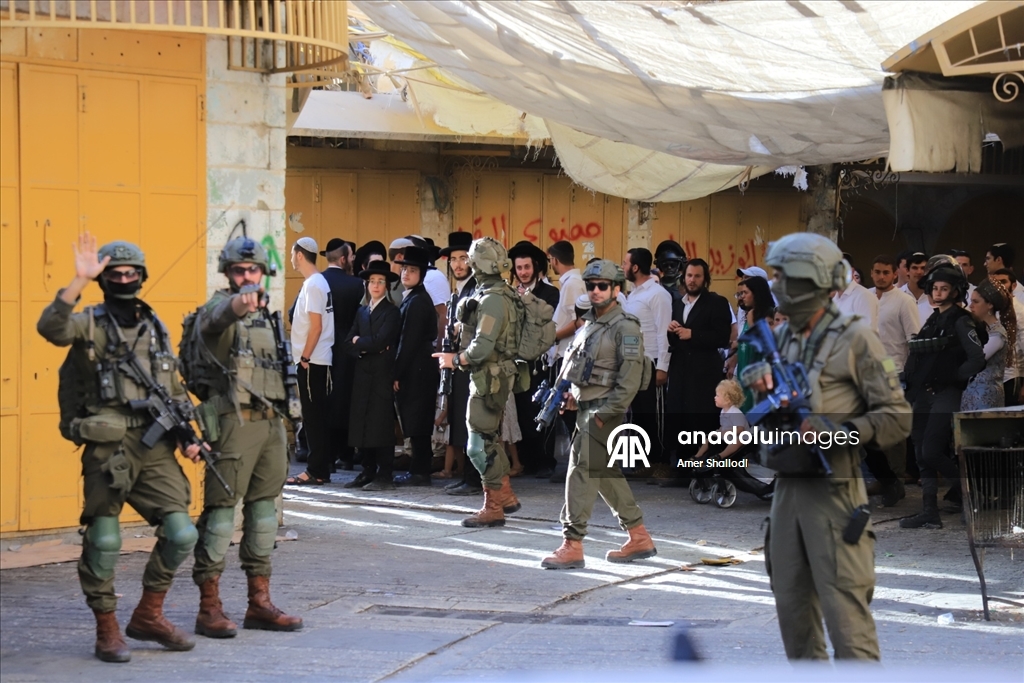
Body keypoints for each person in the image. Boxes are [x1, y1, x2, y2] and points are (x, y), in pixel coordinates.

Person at [742, 232, 911, 660]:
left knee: (848, 630)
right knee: (795, 626)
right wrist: (761, 391)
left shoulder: (857, 339)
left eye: (784, 276)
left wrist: (839, 433)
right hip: (787, 493)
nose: (776, 285)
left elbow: (897, 418)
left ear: (813, 280)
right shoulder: (783, 338)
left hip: (835, 496)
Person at [37, 233, 202, 662]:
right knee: (105, 538)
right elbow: (51, 328)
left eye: (131, 274)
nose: (124, 280)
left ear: (141, 277)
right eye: (115, 274)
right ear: (103, 278)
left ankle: (149, 614)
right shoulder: (88, 322)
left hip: (155, 443)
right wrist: (78, 279)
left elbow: (171, 387)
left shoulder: (154, 325)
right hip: (108, 445)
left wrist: (188, 435)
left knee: (182, 532)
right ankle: (106, 627)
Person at [187, 236, 302, 639]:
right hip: (233, 425)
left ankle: (260, 602)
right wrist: (239, 303)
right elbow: (216, 321)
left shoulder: (267, 316)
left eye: (254, 270)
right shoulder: (217, 309)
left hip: (271, 424)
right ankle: (209, 608)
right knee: (221, 517)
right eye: (239, 271)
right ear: (228, 273)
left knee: (265, 515)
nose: (248, 277)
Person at [541, 259, 657, 569]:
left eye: (602, 286)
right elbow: (584, 370)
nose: (595, 291)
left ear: (616, 289)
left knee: (580, 469)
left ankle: (572, 543)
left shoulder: (626, 327)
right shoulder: (589, 324)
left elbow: (629, 380)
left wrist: (605, 414)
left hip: (604, 410)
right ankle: (639, 536)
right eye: (591, 286)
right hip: (586, 407)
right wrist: (572, 396)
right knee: (603, 473)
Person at [434, 237, 524, 527]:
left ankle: (494, 505)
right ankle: (503, 496)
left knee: (478, 445)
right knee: (487, 441)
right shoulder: (500, 293)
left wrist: (455, 360)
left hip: (488, 377)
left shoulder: (492, 299)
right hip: (492, 376)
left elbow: (482, 347)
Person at [901, 261, 986, 529]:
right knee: (920, 451)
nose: (938, 293)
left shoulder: (961, 320)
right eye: (935, 288)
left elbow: (976, 358)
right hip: (923, 393)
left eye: (944, 288)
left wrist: (953, 378)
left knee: (931, 451)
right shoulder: (934, 318)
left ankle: (973, 496)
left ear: (955, 291)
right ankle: (930, 510)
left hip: (945, 393)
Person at [664, 258, 733, 485]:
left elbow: (722, 337)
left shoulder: (716, 302)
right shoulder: (678, 304)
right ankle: (682, 471)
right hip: (681, 370)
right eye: (689, 276)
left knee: (700, 421)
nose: (692, 280)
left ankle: (703, 470)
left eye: (697, 276)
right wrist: (672, 331)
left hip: (704, 373)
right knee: (680, 419)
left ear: (705, 279)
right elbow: (676, 339)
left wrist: (693, 334)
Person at [343, 260, 402, 490]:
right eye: (372, 281)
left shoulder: (391, 312)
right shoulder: (361, 311)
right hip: (362, 373)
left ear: (387, 286)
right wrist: (365, 346)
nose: (376, 285)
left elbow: (381, 341)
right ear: (367, 285)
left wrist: (361, 342)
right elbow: (348, 342)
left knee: (381, 422)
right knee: (362, 422)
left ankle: (384, 473)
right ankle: (367, 470)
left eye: (381, 281)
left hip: (381, 373)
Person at [866, 254, 919, 505]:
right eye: (877, 272)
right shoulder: (864, 298)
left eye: (886, 272)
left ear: (895, 274)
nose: (881, 277)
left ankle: (896, 479)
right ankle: (883, 477)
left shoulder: (904, 301)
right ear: (871, 272)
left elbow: (913, 339)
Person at [508, 240, 561, 478]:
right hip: (518, 362)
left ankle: (544, 461)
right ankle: (526, 460)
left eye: (527, 267)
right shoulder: (510, 294)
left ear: (535, 267)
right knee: (521, 411)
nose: (523, 272)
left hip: (541, 362)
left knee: (541, 409)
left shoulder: (550, 293)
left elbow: (545, 323)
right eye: (519, 268)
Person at [286, 237, 335, 486]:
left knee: (313, 418)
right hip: (315, 360)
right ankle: (321, 469)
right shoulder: (316, 282)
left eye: (292, 254)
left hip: (312, 360)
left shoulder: (314, 284)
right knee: (316, 417)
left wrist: (304, 357)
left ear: (300, 255)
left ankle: (315, 470)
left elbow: (316, 326)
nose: (290, 259)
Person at [439, 232, 484, 497]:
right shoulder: (459, 290)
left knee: (471, 422)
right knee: (459, 419)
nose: (458, 264)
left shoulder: (477, 289)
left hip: (470, 362)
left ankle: (474, 478)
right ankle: (467, 474)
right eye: (454, 259)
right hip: (457, 363)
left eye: (463, 258)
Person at [392, 245, 441, 486]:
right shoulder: (413, 298)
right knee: (416, 419)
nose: (406, 274)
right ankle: (419, 468)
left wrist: (397, 372)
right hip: (418, 366)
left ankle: (420, 471)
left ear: (421, 274)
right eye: (404, 270)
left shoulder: (418, 301)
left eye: (412, 270)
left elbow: (407, 341)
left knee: (418, 420)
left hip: (418, 368)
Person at [622, 248, 672, 473]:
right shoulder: (633, 294)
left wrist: (663, 367)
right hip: (634, 364)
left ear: (635, 267)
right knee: (639, 415)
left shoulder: (657, 294)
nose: (622, 267)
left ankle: (660, 461)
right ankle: (643, 462)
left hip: (652, 363)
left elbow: (663, 332)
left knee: (655, 415)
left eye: (625, 263)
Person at [320, 238, 365, 471]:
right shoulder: (357, 285)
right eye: (351, 257)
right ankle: (346, 455)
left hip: (321, 350)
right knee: (347, 403)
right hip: (349, 352)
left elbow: (294, 313)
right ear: (344, 259)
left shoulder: (315, 282)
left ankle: (326, 457)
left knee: (324, 403)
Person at [961, 279, 1015, 411]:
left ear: (990, 304)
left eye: (976, 302)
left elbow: (977, 358)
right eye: (971, 301)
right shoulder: (982, 330)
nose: (971, 306)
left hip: (985, 396)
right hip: (972, 392)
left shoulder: (997, 334)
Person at [732, 275, 775, 411]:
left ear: (757, 293)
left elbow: (766, 345)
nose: (742, 297)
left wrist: (752, 323)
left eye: (745, 292)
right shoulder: (749, 314)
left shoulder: (769, 316)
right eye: (741, 293)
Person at [989, 268, 1024, 405]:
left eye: (1003, 282)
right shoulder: (993, 308)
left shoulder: (1020, 312)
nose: (999, 286)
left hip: (1013, 377)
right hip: (995, 376)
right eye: (995, 282)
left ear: (1013, 285)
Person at [985, 243, 1023, 307]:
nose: (985, 264)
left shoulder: (1020, 294)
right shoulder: (986, 289)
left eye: (988, 259)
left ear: (998, 259)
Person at [899, 252, 932, 324]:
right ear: (907, 271)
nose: (919, 272)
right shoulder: (898, 295)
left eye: (923, 268)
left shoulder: (935, 296)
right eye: (915, 268)